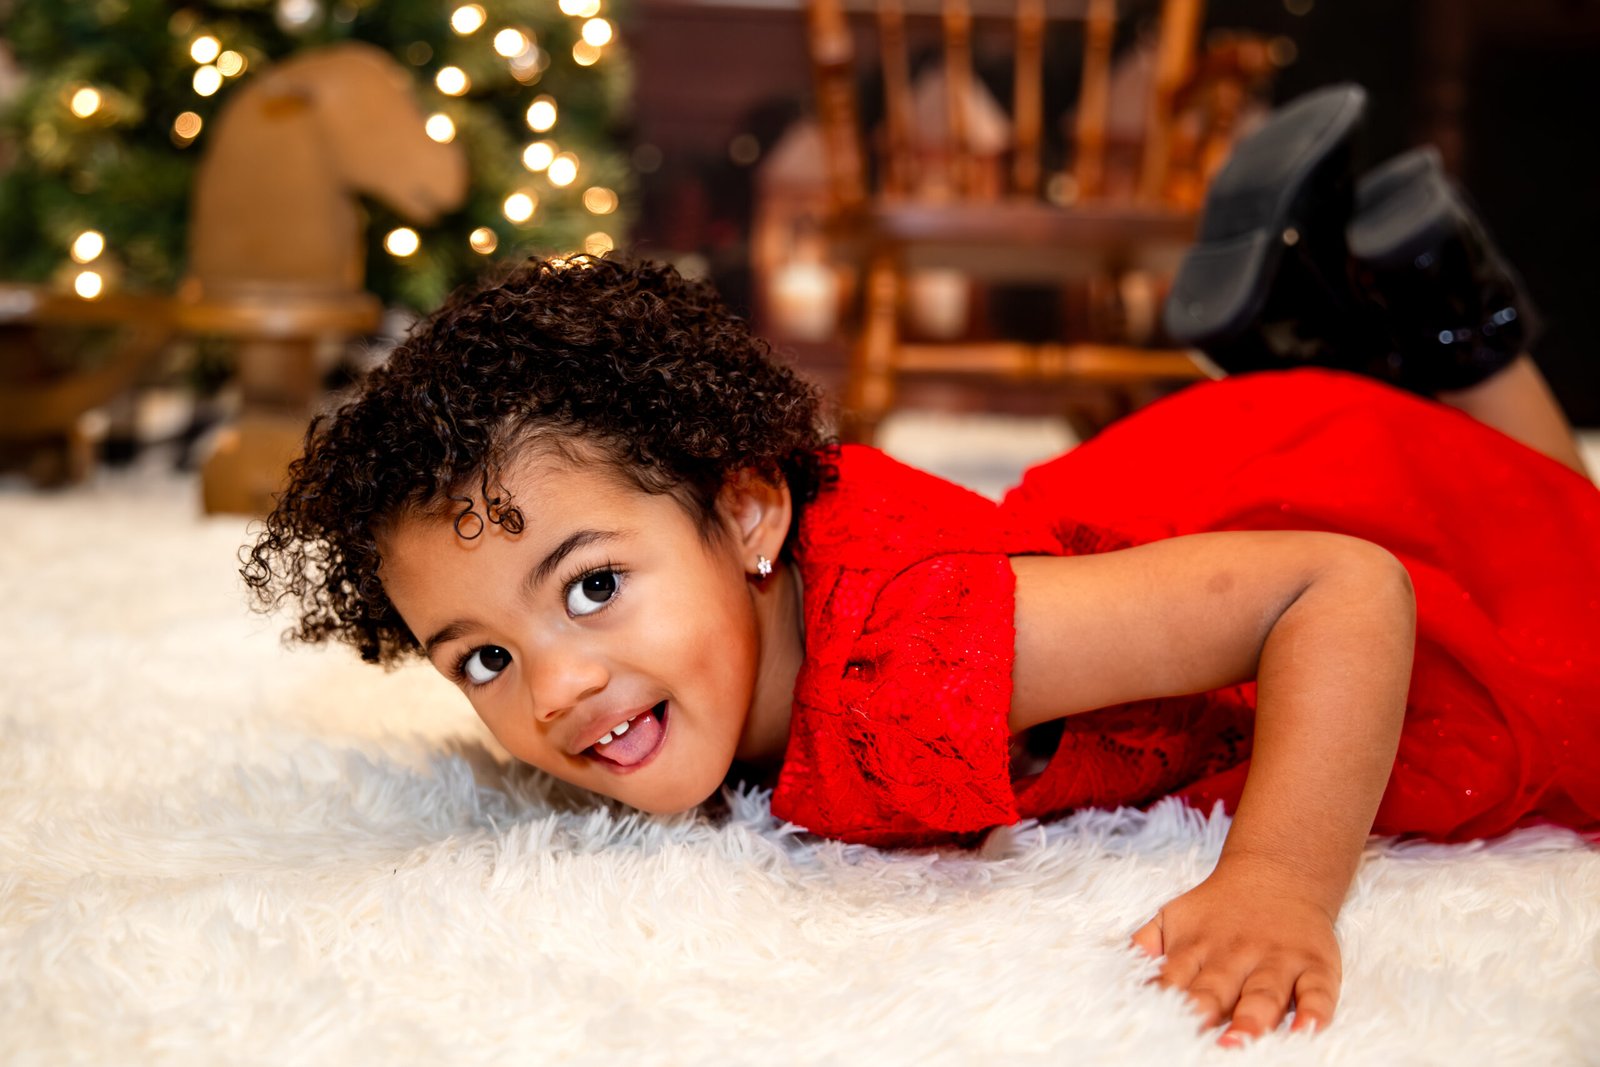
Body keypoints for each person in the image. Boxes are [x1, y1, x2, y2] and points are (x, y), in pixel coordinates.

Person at [242, 85, 1599, 1048]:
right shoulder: (742, 622)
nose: (558, 684)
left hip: (1329, 509)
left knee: (1561, 606)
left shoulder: (932, 653)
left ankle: (1413, 343)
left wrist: (1281, 882)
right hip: (1170, 501)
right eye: (482, 656)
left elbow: (1340, 588)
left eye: (593, 587)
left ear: (754, 516)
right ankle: (1418, 310)